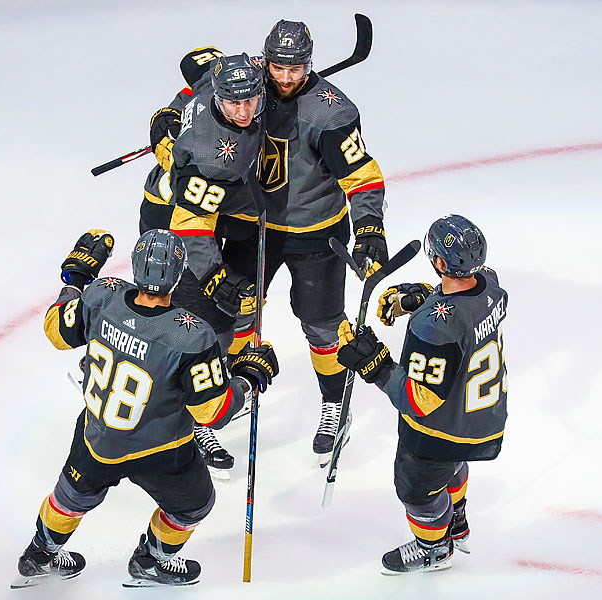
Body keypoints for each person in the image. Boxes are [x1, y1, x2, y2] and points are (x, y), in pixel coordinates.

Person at [12, 228, 279, 589]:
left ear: (135, 267)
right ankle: (152, 561)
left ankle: (39, 554)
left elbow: (57, 332)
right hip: (161, 450)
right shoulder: (191, 336)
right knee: (192, 507)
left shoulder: (102, 294)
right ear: (180, 274)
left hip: (97, 435)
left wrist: (76, 279)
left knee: (72, 496)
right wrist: (248, 376)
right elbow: (211, 413)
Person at [227, 20, 389, 466]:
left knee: (322, 326)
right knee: (236, 308)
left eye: (295, 69)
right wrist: (170, 112)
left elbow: (361, 173)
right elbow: (203, 80)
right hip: (250, 224)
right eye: (277, 66)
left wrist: (370, 228)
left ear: (309, 63)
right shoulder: (249, 81)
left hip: (314, 231)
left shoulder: (330, 112)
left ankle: (335, 406)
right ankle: (231, 390)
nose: (284, 78)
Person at [335, 215, 508, 574]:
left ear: (440, 263)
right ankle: (457, 520)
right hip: (480, 419)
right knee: (455, 464)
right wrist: (424, 296)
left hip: (438, 433)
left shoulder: (432, 328)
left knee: (418, 490)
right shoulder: (491, 286)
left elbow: (418, 401)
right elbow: (461, 304)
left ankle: (434, 547)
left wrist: (375, 363)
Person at [140, 52, 268, 476]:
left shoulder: (221, 85)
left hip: (211, 213)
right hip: (171, 212)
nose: (246, 110)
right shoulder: (209, 155)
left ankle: (206, 394)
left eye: (252, 98)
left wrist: (168, 112)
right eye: (237, 102)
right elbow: (193, 224)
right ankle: (182, 409)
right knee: (177, 311)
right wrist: (214, 277)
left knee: (219, 314)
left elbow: (193, 62)